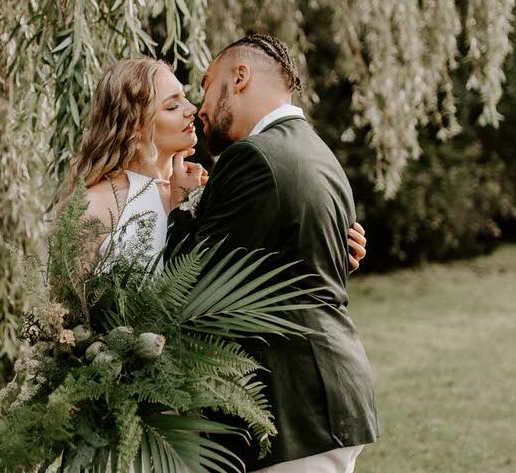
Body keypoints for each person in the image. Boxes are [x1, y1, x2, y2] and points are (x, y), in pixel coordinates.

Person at [164, 34, 379, 473]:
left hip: (295, 402)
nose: (199, 109)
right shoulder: (316, 151)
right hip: (322, 396)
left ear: (239, 77)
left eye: (207, 85)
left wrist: (174, 207)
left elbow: (194, 281)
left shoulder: (254, 157)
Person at [62, 54, 367, 278]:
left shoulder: (210, 194)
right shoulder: (93, 205)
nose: (192, 109)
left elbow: (246, 276)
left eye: (185, 98)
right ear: (133, 126)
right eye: (172, 105)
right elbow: (64, 316)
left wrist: (325, 253)